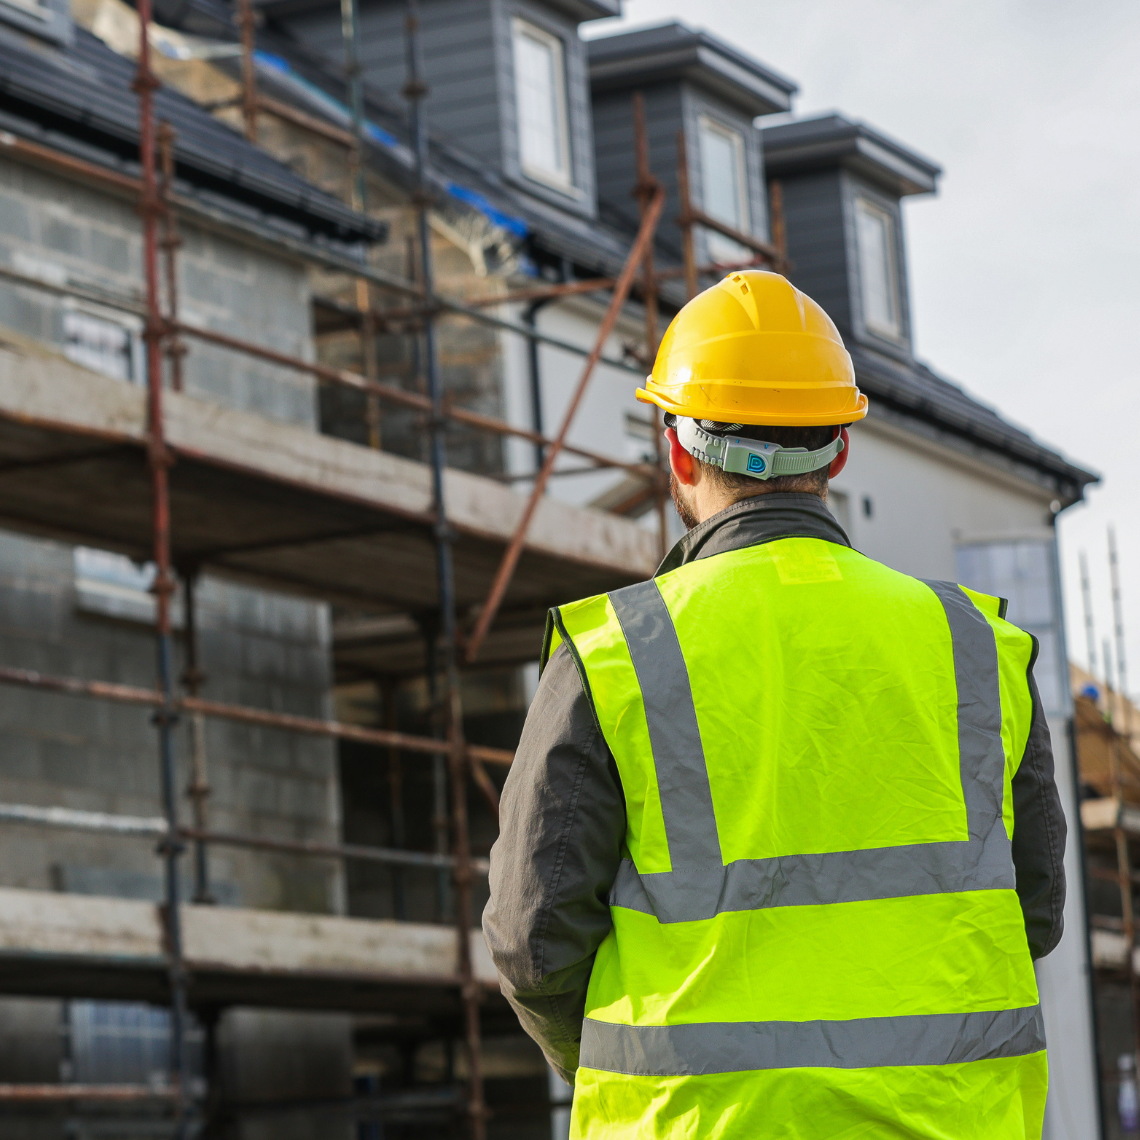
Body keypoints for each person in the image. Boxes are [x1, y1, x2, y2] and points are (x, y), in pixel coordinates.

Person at [483, 271, 1066, 1139]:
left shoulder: (616, 653)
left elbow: (535, 943)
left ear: (678, 453)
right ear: (837, 451)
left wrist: (613, 1060)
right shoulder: (975, 646)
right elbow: (1037, 911)